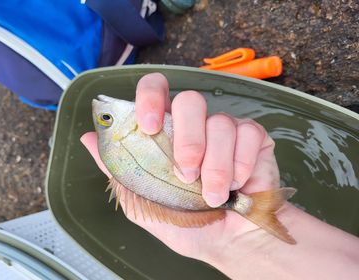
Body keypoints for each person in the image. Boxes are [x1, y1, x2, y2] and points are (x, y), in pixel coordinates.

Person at [81, 73, 359, 279]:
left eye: (105, 119)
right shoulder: (118, 144)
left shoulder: (120, 145)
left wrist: (243, 243)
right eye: (107, 119)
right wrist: (236, 242)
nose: (107, 112)